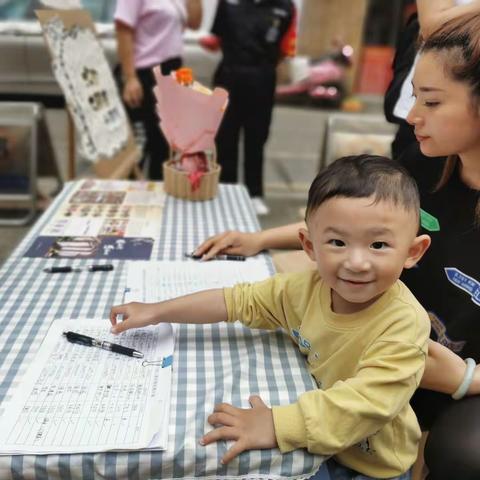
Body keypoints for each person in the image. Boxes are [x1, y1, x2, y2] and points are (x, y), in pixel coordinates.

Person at [194, 11, 480, 479]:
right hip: (392, 348)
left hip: (442, 372)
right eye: (414, 97)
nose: (411, 116)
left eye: (430, 101)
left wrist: (466, 379)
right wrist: (260, 238)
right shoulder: (426, 163)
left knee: (462, 455)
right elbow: (357, 220)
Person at [111, 154, 431, 479]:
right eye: (337, 242)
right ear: (309, 245)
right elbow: (236, 300)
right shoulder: (305, 288)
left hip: (371, 465)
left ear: (412, 252)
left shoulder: (404, 323)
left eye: (378, 244)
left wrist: (276, 423)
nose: (357, 262)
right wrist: (157, 310)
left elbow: (366, 405)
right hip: (316, 445)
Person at [207, 0, 295, 215]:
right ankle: (226, 190)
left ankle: (254, 193)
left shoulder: (285, 7)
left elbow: (285, 47)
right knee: (225, 137)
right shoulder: (228, 3)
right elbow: (216, 38)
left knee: (257, 138)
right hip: (229, 75)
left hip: (262, 77)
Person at [114, 0, 202, 180]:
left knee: (164, 145)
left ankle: (158, 197)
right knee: (140, 145)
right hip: (144, 73)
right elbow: (123, 30)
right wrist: (130, 77)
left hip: (172, 72)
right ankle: (129, 199)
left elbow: (195, 23)